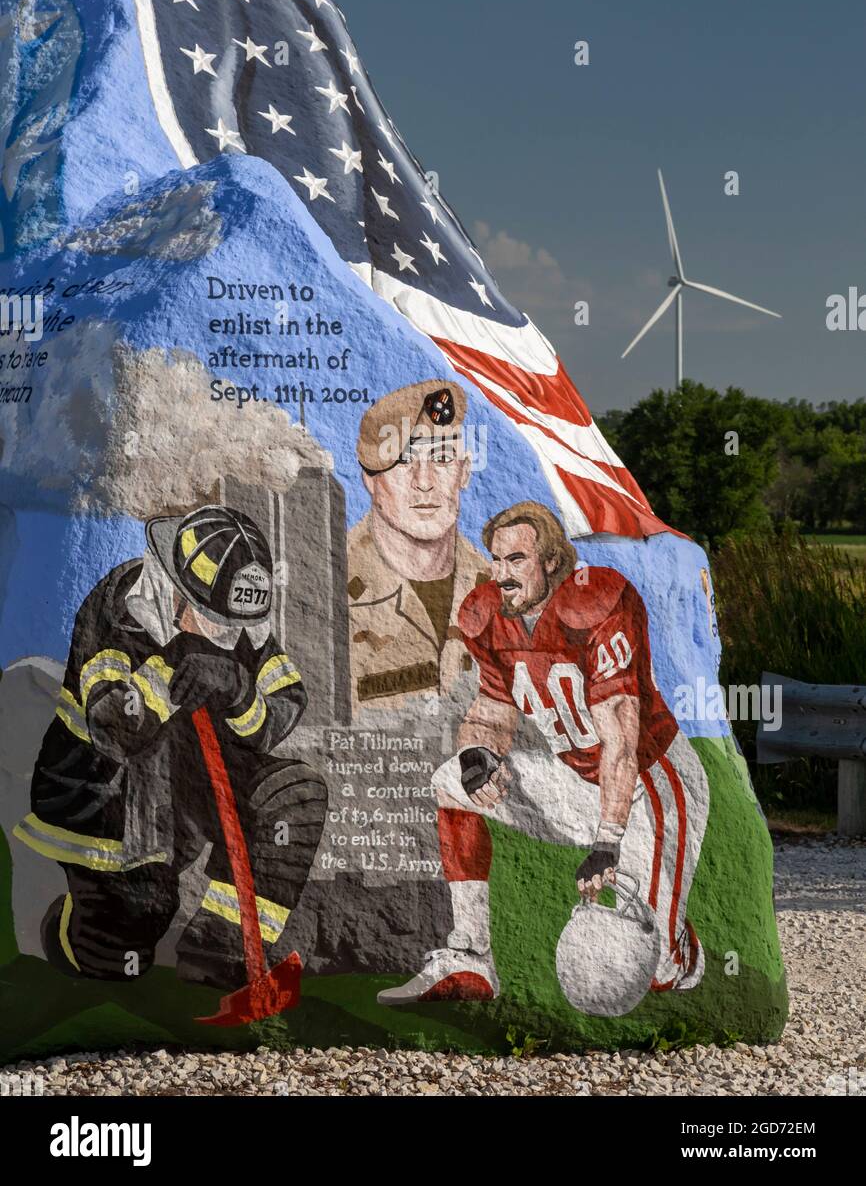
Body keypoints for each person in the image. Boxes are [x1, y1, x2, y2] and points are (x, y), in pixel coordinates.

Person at [377, 499, 710, 1006]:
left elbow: (620, 743)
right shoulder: (490, 614)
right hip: (574, 777)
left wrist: (607, 842)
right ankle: (471, 957)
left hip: (648, 786)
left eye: (516, 560)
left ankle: (682, 951)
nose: (501, 575)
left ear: (552, 562)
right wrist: (476, 756)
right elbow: (490, 712)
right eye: (496, 560)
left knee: (652, 971)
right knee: (449, 783)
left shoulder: (595, 603)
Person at [14, 503, 326, 991]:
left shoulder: (238, 616)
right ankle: (76, 927)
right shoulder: (119, 611)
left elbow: (282, 706)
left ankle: (220, 950)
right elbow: (115, 729)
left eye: (234, 626)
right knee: (131, 934)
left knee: (295, 797)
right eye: (213, 622)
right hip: (108, 800)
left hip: (194, 784)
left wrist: (240, 690)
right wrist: (170, 671)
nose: (228, 638)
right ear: (175, 590)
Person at [347, 379, 488, 712]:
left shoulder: (499, 589)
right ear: (370, 478)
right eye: (404, 461)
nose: (424, 482)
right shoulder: (329, 586)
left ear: (464, 472)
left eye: (441, 459)